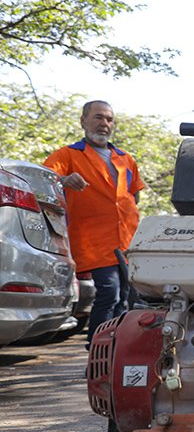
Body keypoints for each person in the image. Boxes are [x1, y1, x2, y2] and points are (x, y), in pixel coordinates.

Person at [44, 100, 145, 343]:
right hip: (94, 240)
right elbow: (45, 178)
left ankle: (115, 349)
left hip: (127, 241)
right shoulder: (68, 154)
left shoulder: (125, 158)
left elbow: (135, 193)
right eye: (98, 117)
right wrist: (65, 180)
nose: (104, 124)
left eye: (109, 119)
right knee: (109, 293)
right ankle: (96, 350)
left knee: (126, 298)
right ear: (83, 121)